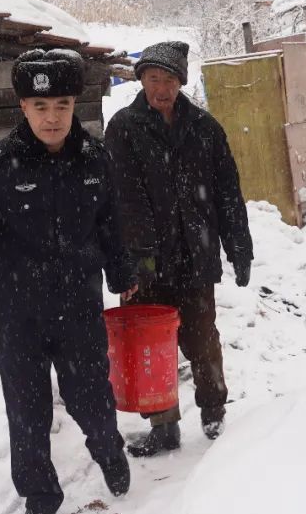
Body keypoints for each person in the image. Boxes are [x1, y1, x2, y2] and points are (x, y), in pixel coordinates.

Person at [0, 48, 138, 514]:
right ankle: (41, 499)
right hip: (19, 314)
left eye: (63, 105)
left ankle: (109, 450)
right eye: (41, 106)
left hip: (80, 306)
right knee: (27, 413)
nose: (53, 118)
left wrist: (122, 271)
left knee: (91, 397)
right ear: (23, 108)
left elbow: (110, 223)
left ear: (73, 106)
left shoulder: (95, 160)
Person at [104, 40, 254, 457]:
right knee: (152, 347)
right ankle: (164, 426)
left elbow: (227, 193)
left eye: (168, 80)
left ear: (180, 82)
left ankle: (213, 411)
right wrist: (133, 261)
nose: (161, 88)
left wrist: (238, 245)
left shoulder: (205, 128)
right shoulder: (123, 128)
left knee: (202, 337)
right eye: (153, 79)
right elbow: (122, 199)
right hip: (145, 265)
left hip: (195, 255)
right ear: (141, 81)